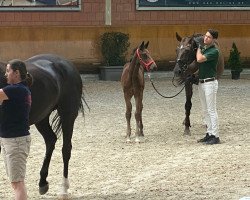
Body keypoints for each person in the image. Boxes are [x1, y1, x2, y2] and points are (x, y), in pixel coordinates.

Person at [0, 59, 33, 200]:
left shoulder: (16, 90)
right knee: (16, 182)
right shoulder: (18, 90)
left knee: (17, 183)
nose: (6, 74)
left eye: (8, 71)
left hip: (16, 142)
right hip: (10, 141)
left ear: (17, 73)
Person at [195, 29, 220, 145]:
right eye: (205, 36)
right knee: (205, 110)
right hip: (202, 82)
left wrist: (199, 48)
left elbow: (199, 59)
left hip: (210, 83)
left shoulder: (214, 51)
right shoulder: (206, 49)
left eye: (209, 37)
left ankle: (215, 135)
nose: (205, 38)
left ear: (214, 39)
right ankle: (209, 133)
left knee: (211, 110)